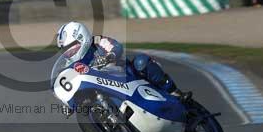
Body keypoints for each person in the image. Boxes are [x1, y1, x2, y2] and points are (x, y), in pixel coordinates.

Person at [55, 21, 189, 99]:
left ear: (81, 38)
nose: (67, 52)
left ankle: (174, 92)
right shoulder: (70, 64)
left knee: (141, 62)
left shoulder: (96, 41)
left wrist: (110, 56)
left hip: (128, 76)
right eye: (64, 49)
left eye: (70, 47)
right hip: (107, 89)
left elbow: (116, 46)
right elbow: (67, 80)